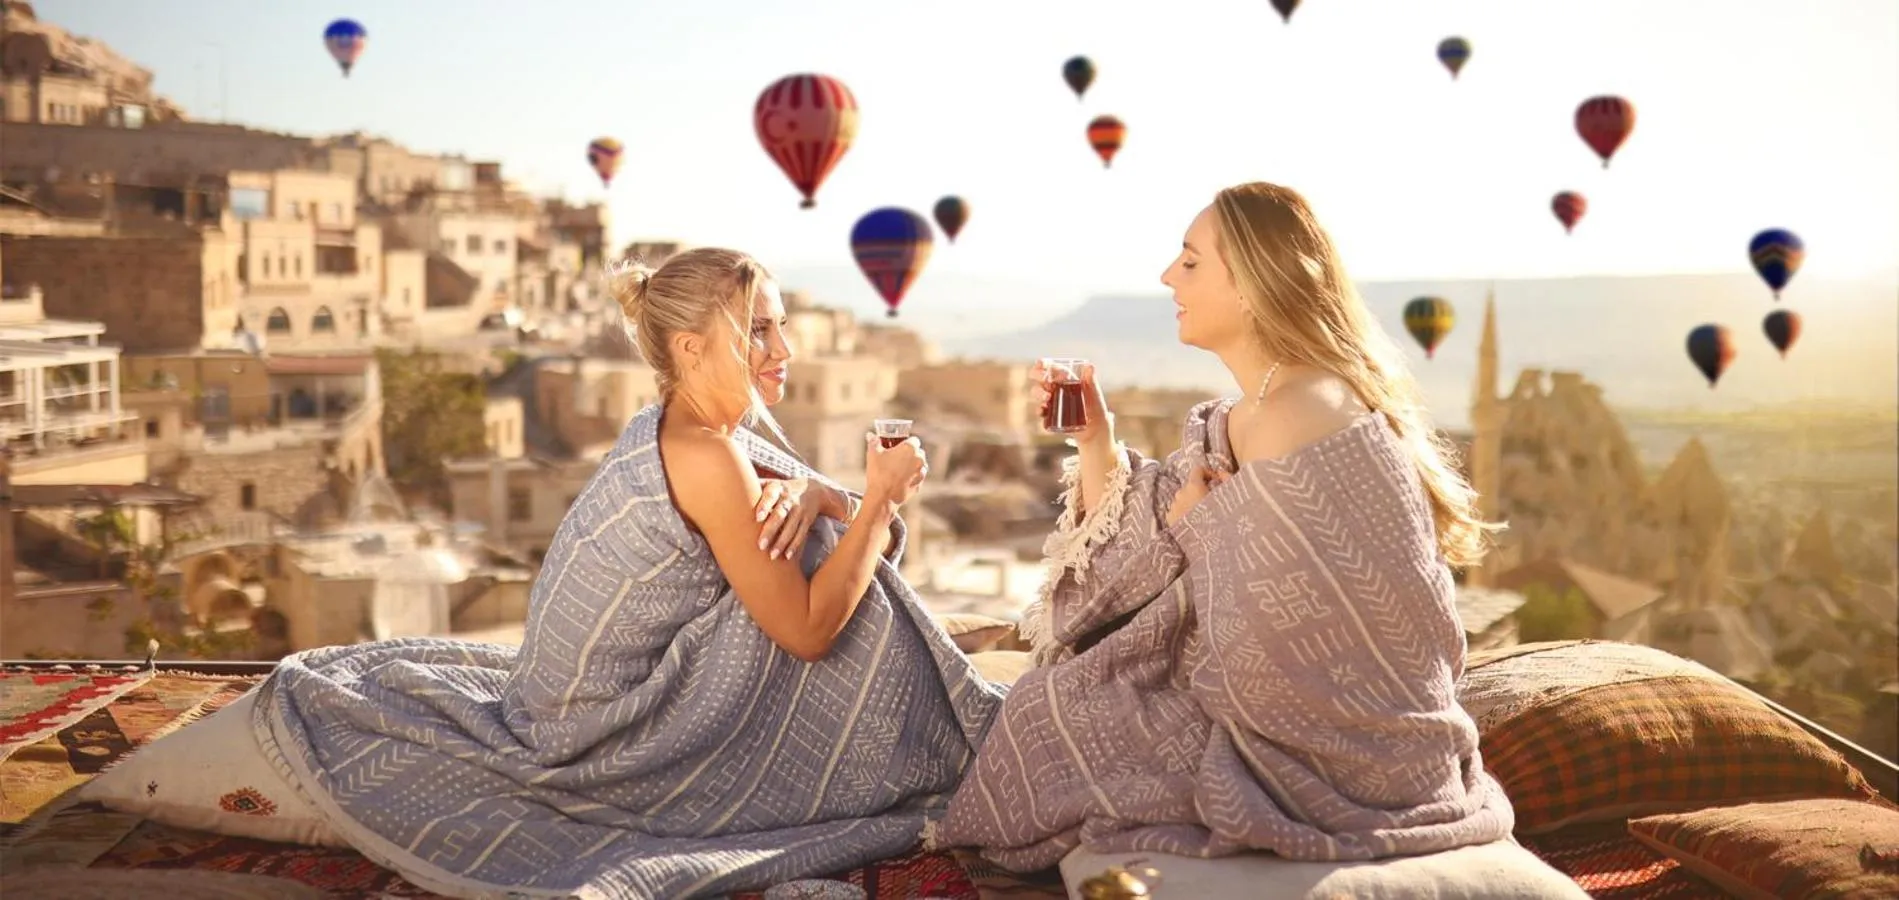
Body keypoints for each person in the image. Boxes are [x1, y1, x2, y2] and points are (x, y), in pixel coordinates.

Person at [252, 247, 1004, 900]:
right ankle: (917, 747)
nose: (784, 349)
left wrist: (818, 493)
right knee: (818, 567)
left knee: (809, 535)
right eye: (759, 330)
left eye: (782, 325)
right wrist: (877, 499)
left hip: (557, 701)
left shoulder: (679, 423)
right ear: (689, 348)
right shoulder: (710, 456)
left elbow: (810, 520)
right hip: (590, 738)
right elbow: (807, 632)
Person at [933, 182, 1517, 871]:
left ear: (1248, 284)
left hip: (1332, 750)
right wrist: (1098, 440)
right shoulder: (1272, 402)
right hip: (1358, 731)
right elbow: (1170, 519)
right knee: (1054, 703)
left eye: (1188, 262)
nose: (1165, 277)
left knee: (1049, 715)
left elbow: (1266, 639)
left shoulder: (1289, 415)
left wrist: (1194, 533)